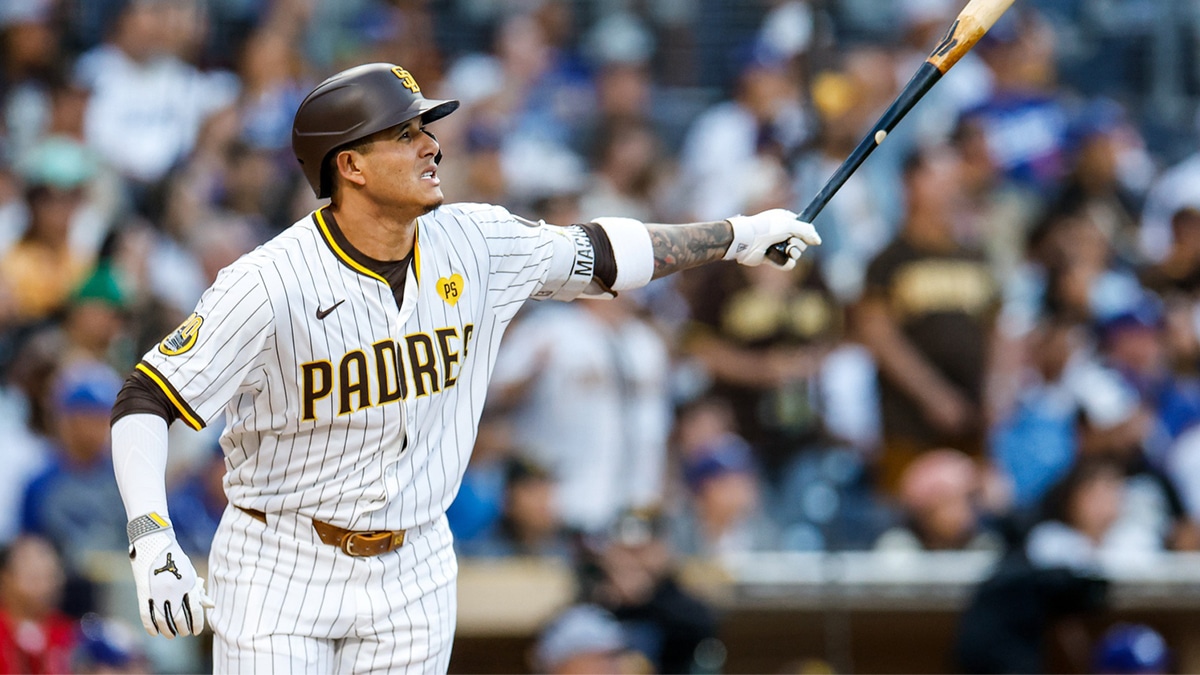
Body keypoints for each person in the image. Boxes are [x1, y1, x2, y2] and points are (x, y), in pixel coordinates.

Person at [107, 62, 820, 671]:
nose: (432, 145)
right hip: (281, 556)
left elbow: (605, 252)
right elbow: (145, 397)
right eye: (406, 133)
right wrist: (152, 536)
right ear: (349, 165)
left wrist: (740, 235)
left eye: (427, 128)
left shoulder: (476, 240)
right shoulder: (269, 281)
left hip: (414, 557)